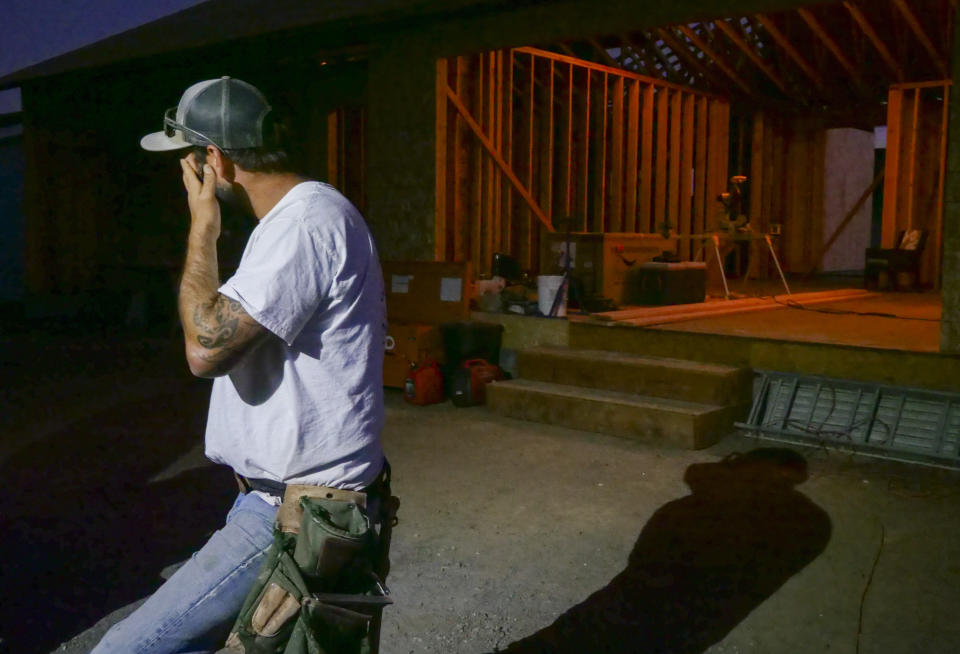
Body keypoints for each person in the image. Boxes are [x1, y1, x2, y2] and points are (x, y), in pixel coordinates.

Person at [91, 76, 387, 654]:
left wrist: (201, 228)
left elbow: (205, 347)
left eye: (187, 161)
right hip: (273, 499)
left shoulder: (303, 225)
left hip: (298, 510)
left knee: (122, 649)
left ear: (215, 161)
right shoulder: (295, 220)